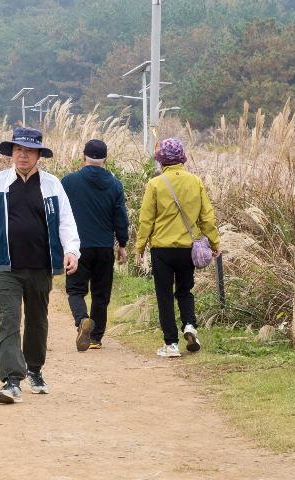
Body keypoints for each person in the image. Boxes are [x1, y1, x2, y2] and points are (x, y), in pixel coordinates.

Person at [0, 126, 80, 404]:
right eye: (19, 149)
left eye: (29, 150)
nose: (23, 155)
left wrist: (72, 250)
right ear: (12, 152)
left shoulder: (52, 184)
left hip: (42, 265)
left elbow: (66, 221)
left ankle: (35, 369)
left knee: (37, 319)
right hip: (6, 265)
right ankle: (11, 379)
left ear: (38, 155)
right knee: (9, 319)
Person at [135, 137, 221, 359]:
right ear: (182, 159)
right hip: (187, 248)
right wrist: (214, 242)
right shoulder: (195, 181)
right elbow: (207, 217)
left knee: (164, 295)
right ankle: (190, 326)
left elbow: (147, 220)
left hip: (162, 249)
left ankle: (171, 344)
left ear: (161, 161)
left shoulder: (155, 184)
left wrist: (140, 246)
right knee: (185, 290)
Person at [61, 139, 130, 351]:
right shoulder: (115, 184)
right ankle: (95, 338)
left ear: (83, 157)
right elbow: (120, 216)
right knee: (101, 293)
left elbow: (60, 214)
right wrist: (122, 244)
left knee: (75, 290)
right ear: (106, 159)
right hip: (103, 247)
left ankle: (82, 320)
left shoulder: (69, 182)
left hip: (77, 248)